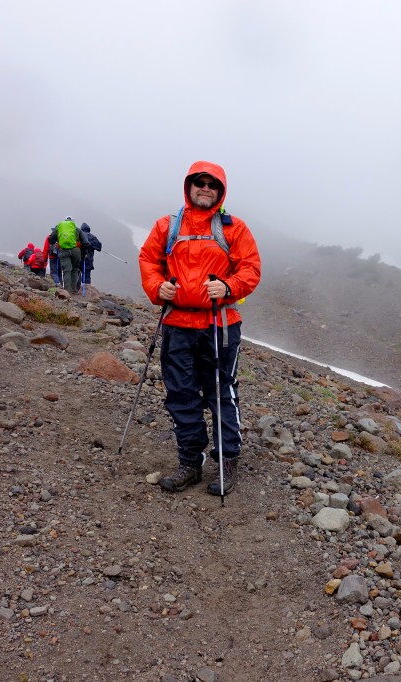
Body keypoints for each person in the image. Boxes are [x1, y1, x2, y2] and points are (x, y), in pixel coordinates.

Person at [139, 161, 261, 495]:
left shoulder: (233, 228)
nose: (205, 188)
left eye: (212, 184)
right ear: (189, 186)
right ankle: (190, 463)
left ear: (220, 191)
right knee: (180, 395)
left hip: (219, 324)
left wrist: (228, 287)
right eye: (199, 183)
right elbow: (149, 260)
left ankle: (227, 462)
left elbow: (251, 268)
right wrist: (157, 286)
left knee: (222, 392)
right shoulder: (168, 225)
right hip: (177, 323)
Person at [53, 216, 85, 293]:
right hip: (76, 251)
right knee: (74, 269)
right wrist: (84, 253)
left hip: (63, 250)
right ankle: (73, 289)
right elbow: (85, 242)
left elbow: (51, 239)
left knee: (67, 270)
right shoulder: (77, 229)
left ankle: (67, 290)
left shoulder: (59, 228)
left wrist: (57, 242)